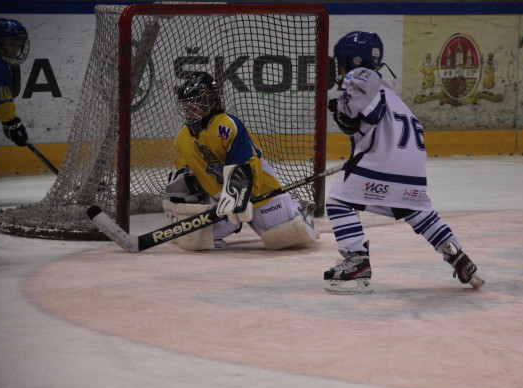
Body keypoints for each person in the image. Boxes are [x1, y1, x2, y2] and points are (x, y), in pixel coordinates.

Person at [323, 31, 485, 295]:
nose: (339, 69)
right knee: (415, 210)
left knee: (338, 200)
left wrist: (341, 108)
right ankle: (458, 257)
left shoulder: (361, 75)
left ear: (353, 61)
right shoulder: (389, 92)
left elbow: (361, 114)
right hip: (413, 173)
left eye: (341, 62)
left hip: (383, 164)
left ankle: (357, 261)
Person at [164, 71, 318, 251]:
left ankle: (295, 209)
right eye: (187, 108)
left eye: (196, 106)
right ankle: (229, 222)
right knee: (197, 239)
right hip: (220, 200)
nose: (190, 112)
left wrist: (239, 198)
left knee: (290, 236)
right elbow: (186, 172)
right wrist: (183, 191)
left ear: (212, 102)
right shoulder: (181, 138)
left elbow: (246, 166)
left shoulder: (227, 125)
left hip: (259, 192)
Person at [0, 18, 30, 169]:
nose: (16, 49)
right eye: (11, 43)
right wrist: (11, 123)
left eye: (19, 44)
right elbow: (1, 104)